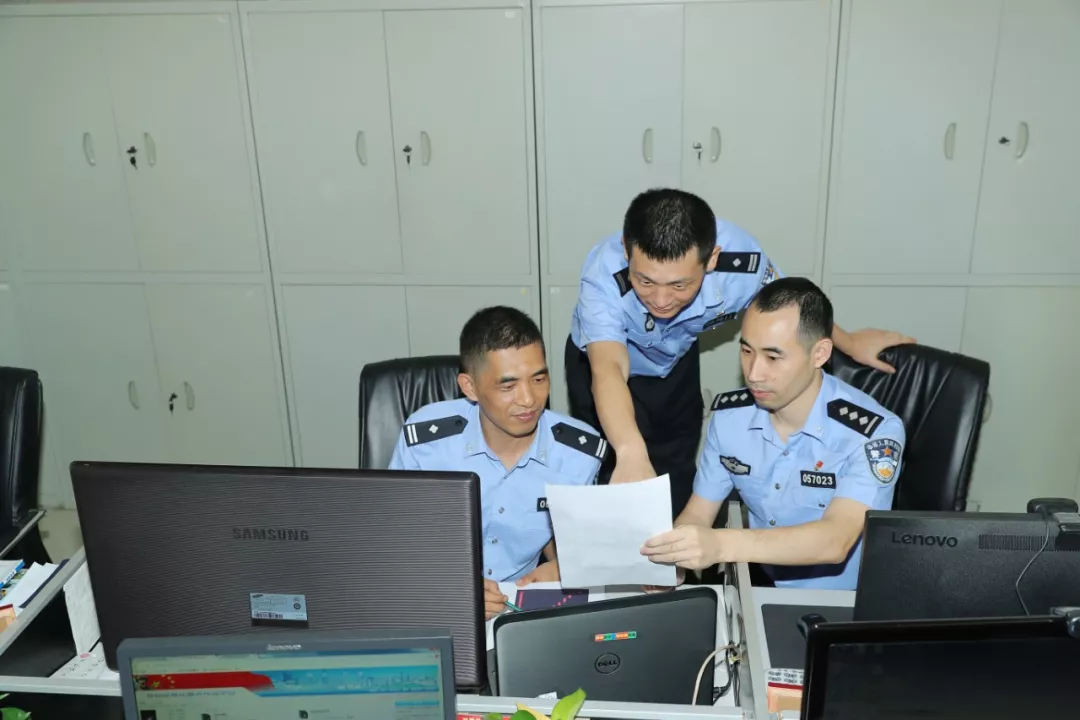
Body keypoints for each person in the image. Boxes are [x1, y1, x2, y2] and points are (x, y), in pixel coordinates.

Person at [565, 188, 913, 517]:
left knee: (677, 470)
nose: (660, 300)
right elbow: (608, 368)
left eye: (680, 285)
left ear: (711, 259)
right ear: (626, 251)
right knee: (609, 469)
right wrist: (629, 451)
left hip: (675, 361)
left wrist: (848, 341)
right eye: (645, 281)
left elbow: (791, 311)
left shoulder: (741, 263)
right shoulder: (603, 275)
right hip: (606, 368)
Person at [639, 277, 904, 589]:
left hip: (842, 601)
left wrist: (720, 545)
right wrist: (673, 560)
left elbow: (835, 540)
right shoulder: (730, 419)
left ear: (819, 354)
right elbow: (699, 512)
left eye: (773, 357)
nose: (754, 373)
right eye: (746, 351)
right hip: (759, 587)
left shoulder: (872, 433)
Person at [389, 306, 605, 618]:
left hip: (519, 607)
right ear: (470, 387)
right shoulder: (426, 442)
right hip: (435, 597)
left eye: (538, 379)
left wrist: (567, 566)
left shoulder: (579, 453)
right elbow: (395, 540)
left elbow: (573, 540)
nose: (529, 399)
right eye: (508, 385)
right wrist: (452, 587)